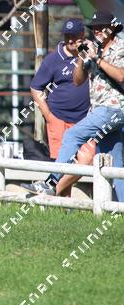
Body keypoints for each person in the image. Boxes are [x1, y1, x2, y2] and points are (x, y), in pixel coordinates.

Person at [23, 11, 124, 200]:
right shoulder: (94, 49)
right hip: (101, 112)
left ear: (112, 29)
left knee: (72, 135)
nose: (98, 31)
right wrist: (81, 57)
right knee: (115, 163)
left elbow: (121, 76)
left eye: (102, 27)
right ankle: (120, 208)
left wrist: (98, 60)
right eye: (95, 28)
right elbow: (77, 81)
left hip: (114, 108)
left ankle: (51, 184)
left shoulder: (121, 47)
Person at [29, 19, 90, 159]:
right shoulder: (53, 59)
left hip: (86, 120)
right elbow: (35, 87)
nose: (70, 40)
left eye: (74, 36)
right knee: (61, 163)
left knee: (87, 161)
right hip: (59, 119)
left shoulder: (90, 54)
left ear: (82, 34)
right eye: (67, 36)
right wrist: (49, 117)